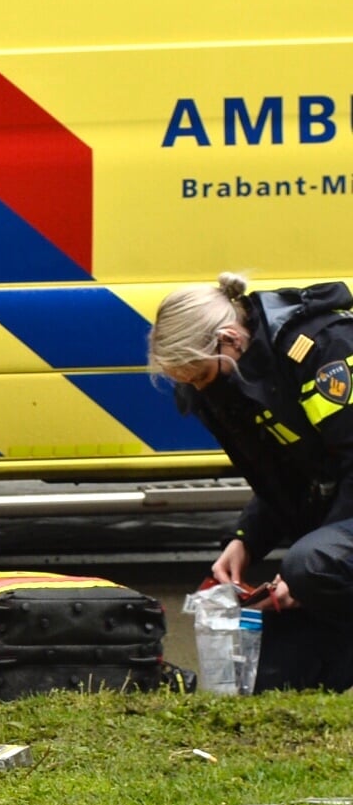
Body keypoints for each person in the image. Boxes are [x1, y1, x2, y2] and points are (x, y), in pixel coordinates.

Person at [149, 272, 353, 691]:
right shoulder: (244, 376)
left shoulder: (322, 349)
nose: (201, 390)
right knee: (266, 679)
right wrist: (244, 539)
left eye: (201, 376)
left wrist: (311, 567)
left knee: (312, 565)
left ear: (229, 339)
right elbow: (290, 478)